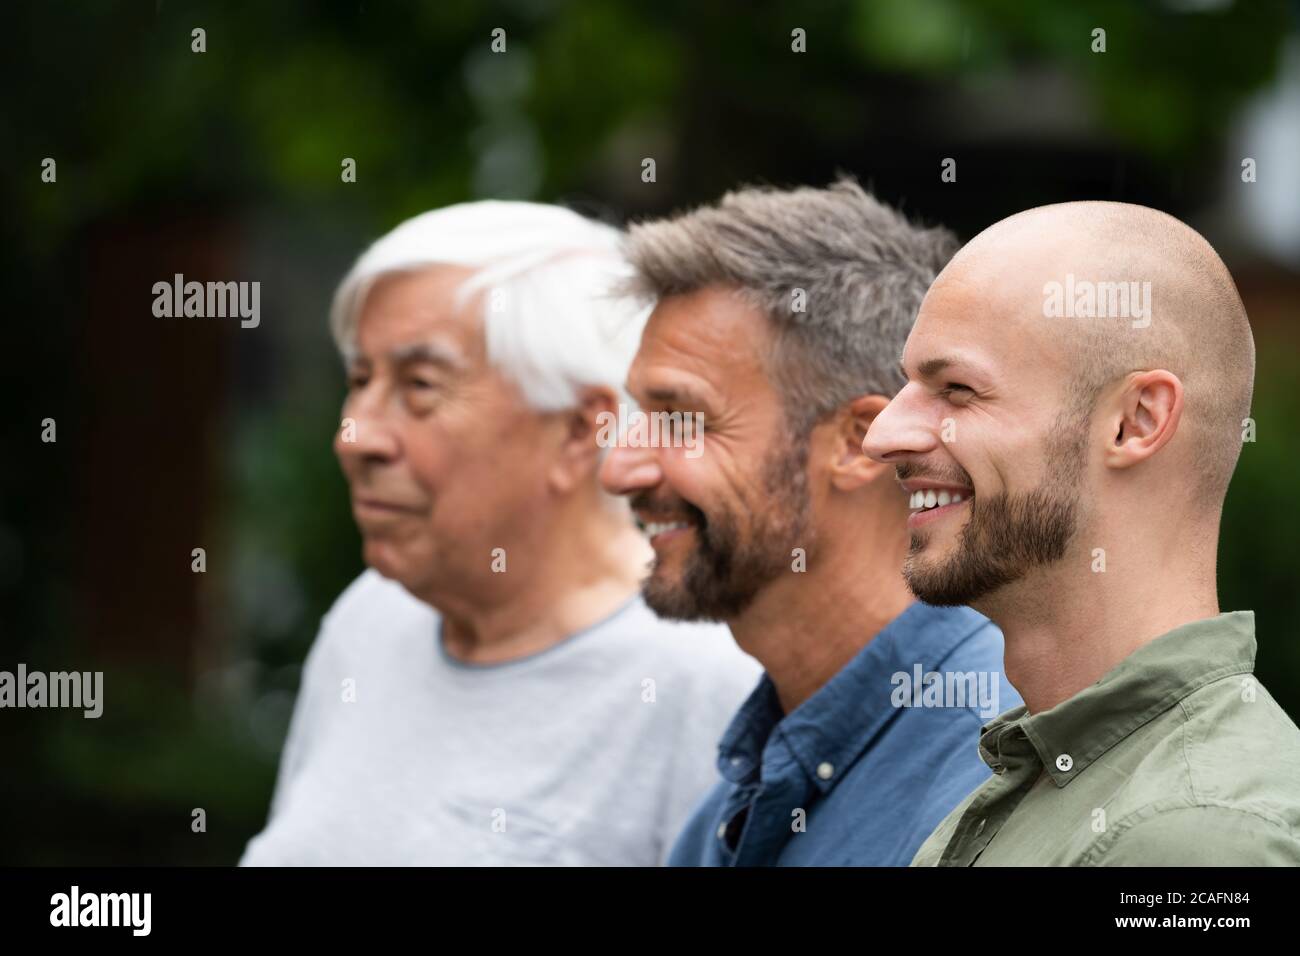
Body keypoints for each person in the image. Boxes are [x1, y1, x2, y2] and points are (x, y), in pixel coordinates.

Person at [241, 201, 760, 866]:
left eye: (419, 386)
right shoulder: (371, 619)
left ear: (580, 431)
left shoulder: (705, 683)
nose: (356, 437)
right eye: (360, 380)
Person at [863, 200, 1300, 865]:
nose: (883, 434)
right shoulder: (1035, 777)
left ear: (1135, 421)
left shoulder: (1196, 835)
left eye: (955, 388)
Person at [600, 180, 1018, 865]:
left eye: (682, 418)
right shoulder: (727, 814)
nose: (621, 470)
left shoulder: (998, 777)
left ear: (858, 442)